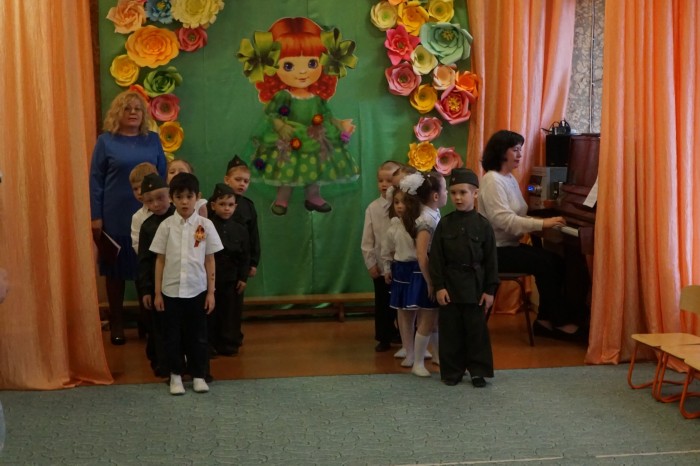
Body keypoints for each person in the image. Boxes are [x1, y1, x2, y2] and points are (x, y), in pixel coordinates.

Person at [243, 17, 359, 215]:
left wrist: (340, 124)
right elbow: (272, 114)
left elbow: (326, 115)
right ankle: (282, 199)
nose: (303, 71)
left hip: (314, 139)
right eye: (289, 66)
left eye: (312, 63)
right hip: (290, 139)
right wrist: (280, 126)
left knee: (314, 171)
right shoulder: (284, 96)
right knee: (286, 172)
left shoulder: (317, 98)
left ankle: (313, 197)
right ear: (273, 69)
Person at [478, 129, 581, 339]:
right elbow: (504, 220)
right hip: (495, 251)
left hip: (508, 246)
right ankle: (558, 321)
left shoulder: (508, 178)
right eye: (515, 150)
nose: (520, 155)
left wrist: (546, 216)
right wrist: (543, 223)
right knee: (547, 264)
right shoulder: (492, 180)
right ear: (501, 152)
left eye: (520, 150)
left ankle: (545, 319)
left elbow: (518, 214)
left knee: (556, 261)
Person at [90, 90, 167, 345]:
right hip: (114, 215)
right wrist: (96, 216)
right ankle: (117, 323)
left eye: (137, 109)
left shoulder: (152, 140)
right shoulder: (105, 142)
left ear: (144, 114)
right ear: (118, 113)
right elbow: (96, 181)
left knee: (146, 267)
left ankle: (148, 322)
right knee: (115, 272)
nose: (133, 113)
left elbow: (162, 176)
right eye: (127, 109)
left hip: (149, 215)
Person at [150, 173, 223, 395]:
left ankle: (199, 375)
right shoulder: (166, 226)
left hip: (197, 290)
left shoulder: (205, 225)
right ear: (172, 198)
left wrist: (211, 292)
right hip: (171, 292)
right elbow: (160, 260)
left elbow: (210, 260)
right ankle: (175, 376)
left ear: (197, 197)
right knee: (172, 336)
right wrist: (157, 293)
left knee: (198, 336)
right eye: (179, 197)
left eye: (189, 197)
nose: (184, 202)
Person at [430, 168, 499, 387]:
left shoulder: (483, 225)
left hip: (475, 287)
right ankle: (452, 371)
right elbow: (436, 259)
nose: (458, 198)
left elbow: (491, 260)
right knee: (450, 331)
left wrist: (489, 290)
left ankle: (478, 371)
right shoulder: (444, 224)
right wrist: (439, 286)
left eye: (463, 193)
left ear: (475, 194)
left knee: (476, 331)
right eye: (453, 193)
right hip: (450, 286)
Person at [382, 172, 445, 377]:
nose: (400, 206)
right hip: (418, 272)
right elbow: (421, 254)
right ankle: (415, 359)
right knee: (422, 317)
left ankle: (436, 355)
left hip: (424, 271)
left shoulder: (432, 215)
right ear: (435, 195)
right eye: (446, 190)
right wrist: (430, 281)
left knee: (432, 319)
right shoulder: (424, 220)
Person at [136, 173, 175, 377]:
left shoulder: (182, 219)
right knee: (158, 326)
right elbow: (144, 260)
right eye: (149, 201)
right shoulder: (147, 226)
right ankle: (161, 362)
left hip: (181, 283)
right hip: (157, 285)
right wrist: (146, 289)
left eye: (160, 198)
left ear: (170, 196)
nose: (156, 204)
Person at [361, 160, 401, 352]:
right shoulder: (373, 208)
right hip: (381, 264)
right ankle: (384, 336)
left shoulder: (403, 206)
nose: (384, 185)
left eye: (389, 181)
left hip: (401, 263)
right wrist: (370, 263)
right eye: (380, 180)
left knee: (401, 302)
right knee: (383, 303)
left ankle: (403, 333)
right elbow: (367, 239)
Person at [208, 183, 250, 356]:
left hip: (232, 278)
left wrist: (243, 277)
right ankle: (211, 345)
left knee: (230, 312)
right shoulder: (206, 226)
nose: (226, 208)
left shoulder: (240, 229)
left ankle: (229, 344)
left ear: (235, 206)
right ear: (213, 206)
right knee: (211, 312)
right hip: (211, 278)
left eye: (230, 205)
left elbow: (245, 255)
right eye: (222, 204)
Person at [224, 156, 261, 280]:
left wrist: (253, 262)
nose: (242, 184)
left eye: (246, 181)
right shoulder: (215, 203)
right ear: (227, 180)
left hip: (241, 260)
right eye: (238, 179)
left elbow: (253, 235)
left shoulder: (248, 206)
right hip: (219, 259)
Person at [129, 162, 158, 254]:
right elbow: (137, 245)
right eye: (135, 189)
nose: (139, 192)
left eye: (142, 186)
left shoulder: (171, 208)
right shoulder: (137, 217)